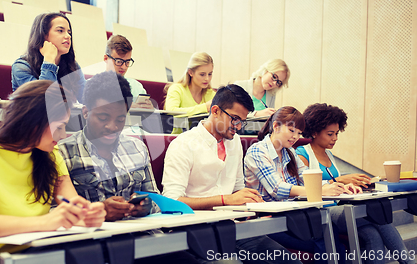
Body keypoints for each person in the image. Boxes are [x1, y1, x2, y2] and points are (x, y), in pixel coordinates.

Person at [0, 80, 106, 264]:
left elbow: (73, 208)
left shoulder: (52, 155)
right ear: (34, 122)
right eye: (59, 127)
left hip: (31, 258)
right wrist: (48, 221)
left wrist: (89, 215)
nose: (63, 136)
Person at [58, 71, 198, 264]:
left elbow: (156, 201)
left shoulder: (137, 148)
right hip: (92, 249)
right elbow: (52, 212)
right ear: (85, 112)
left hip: (144, 243)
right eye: (103, 117)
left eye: (120, 119)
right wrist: (100, 213)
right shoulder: (63, 151)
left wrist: (146, 207)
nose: (112, 127)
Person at [162, 84, 301, 264]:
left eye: (242, 121)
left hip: (232, 227)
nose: (239, 126)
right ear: (215, 111)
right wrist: (225, 200)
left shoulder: (234, 142)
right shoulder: (183, 144)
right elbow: (172, 202)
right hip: (195, 230)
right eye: (234, 119)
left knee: (290, 262)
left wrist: (250, 204)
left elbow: (237, 189)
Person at [297, 103, 414, 264]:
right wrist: (338, 181)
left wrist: (353, 186)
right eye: (330, 134)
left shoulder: (329, 155)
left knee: (373, 235)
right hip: (322, 212)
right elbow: (304, 187)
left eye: (337, 133)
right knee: (379, 217)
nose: (335, 138)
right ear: (315, 132)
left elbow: (338, 185)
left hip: (341, 207)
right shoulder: (302, 154)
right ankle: (408, 262)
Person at [244, 106, 358, 263]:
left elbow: (308, 178)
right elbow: (277, 189)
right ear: (276, 126)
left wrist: (339, 187)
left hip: (291, 217)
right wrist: (318, 189)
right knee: (325, 241)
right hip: (268, 221)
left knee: (331, 234)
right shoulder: (258, 152)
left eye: (298, 133)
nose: (295, 137)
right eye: (291, 131)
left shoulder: (289, 152)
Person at [11, 12, 86, 104]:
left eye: (69, 32)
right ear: (44, 35)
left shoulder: (72, 65)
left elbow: (87, 99)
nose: (68, 36)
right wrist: (49, 62)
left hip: (62, 118)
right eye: (60, 31)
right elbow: (45, 101)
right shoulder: (21, 67)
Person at [104, 34, 153, 109]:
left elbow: (148, 118)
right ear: (106, 59)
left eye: (127, 62)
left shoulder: (137, 87)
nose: (124, 67)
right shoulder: (91, 86)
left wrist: (150, 111)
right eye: (119, 61)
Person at [164, 52, 216, 116]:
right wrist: (204, 107)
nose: (207, 78)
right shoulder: (177, 89)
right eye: (202, 74)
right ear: (190, 72)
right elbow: (170, 111)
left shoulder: (212, 94)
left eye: (210, 74)